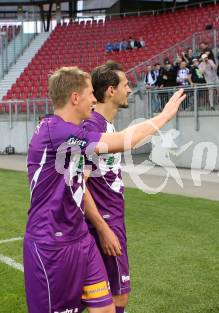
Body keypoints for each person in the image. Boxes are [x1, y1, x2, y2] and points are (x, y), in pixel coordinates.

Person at [24, 66, 185, 313]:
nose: (94, 98)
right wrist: (164, 117)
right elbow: (121, 142)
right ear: (75, 98)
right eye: (90, 93)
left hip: (81, 238)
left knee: (106, 308)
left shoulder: (70, 131)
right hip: (51, 242)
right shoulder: (56, 132)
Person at [82, 61, 132, 313]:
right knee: (116, 296)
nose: (130, 90)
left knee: (109, 296)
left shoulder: (107, 125)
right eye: (126, 85)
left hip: (111, 220)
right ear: (111, 91)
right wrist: (103, 229)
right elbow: (79, 184)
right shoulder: (93, 127)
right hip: (104, 223)